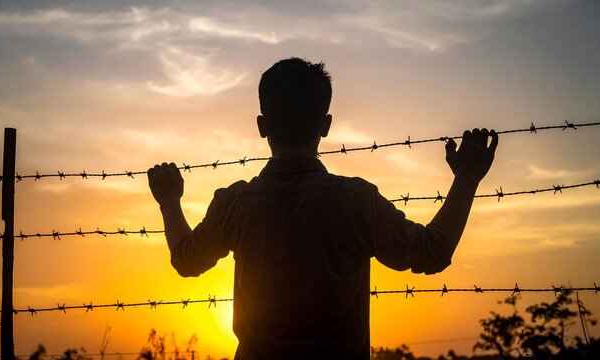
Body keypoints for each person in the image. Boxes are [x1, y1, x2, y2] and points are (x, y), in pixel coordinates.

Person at [147, 57, 498, 360]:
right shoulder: (355, 201)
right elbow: (432, 252)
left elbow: (185, 260)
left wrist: (169, 202)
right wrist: (467, 177)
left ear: (262, 126)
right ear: (326, 125)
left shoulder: (234, 204)